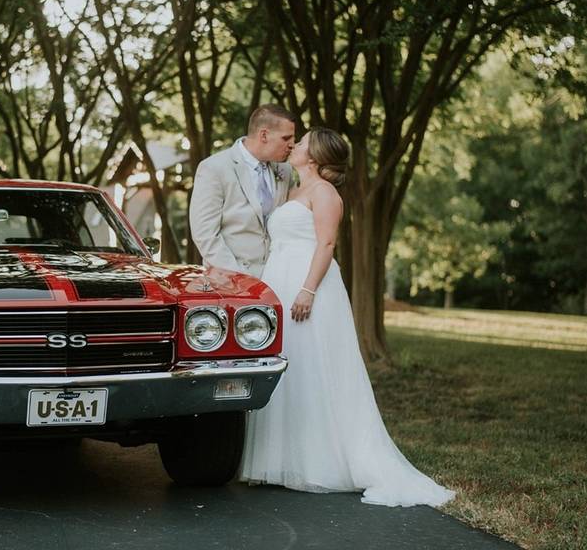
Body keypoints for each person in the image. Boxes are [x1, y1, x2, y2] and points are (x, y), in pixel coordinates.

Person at [239, 127, 455, 508]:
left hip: (309, 285)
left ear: (317, 156)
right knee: (291, 369)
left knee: (317, 369)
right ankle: (284, 460)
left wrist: (308, 290)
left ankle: (323, 463)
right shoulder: (293, 190)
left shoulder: (326, 194)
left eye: (302, 143)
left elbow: (325, 243)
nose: (294, 146)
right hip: (279, 280)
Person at [189, 104, 296, 278]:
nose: (292, 145)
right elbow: (205, 234)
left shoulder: (285, 170)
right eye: (286, 138)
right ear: (264, 135)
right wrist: (240, 277)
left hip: (278, 276)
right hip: (229, 280)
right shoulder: (214, 168)